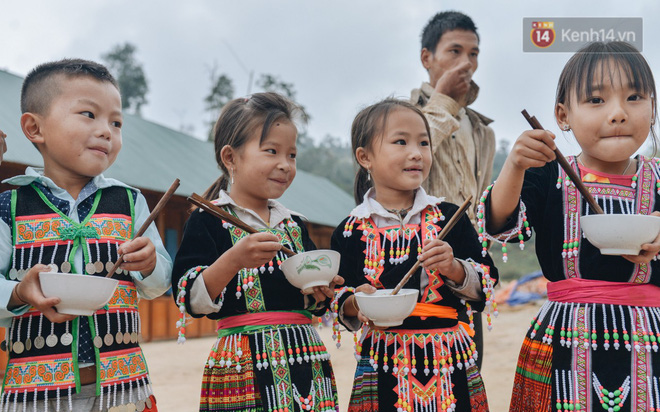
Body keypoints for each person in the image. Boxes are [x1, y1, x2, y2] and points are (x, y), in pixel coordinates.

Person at [480, 41, 660, 411]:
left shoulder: (657, 179)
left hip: (651, 339)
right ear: (563, 116)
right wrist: (514, 166)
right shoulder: (548, 174)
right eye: (596, 100)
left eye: (635, 97)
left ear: (654, 108)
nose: (618, 113)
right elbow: (501, 226)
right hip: (565, 335)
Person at [0, 59, 172, 411]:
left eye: (116, 122)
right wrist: (18, 292)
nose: (107, 131)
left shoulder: (129, 201)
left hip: (122, 389)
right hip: (37, 393)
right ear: (35, 128)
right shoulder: (10, 206)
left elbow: (159, 285)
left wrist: (151, 264)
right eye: (89, 115)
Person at [172, 92, 342, 412]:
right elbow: (190, 297)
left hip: (304, 355)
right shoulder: (207, 220)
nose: (285, 164)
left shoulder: (294, 224)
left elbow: (310, 295)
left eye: (292, 155)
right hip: (241, 362)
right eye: (271, 151)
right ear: (231, 157)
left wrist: (322, 292)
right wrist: (234, 259)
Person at [330, 98, 498, 412]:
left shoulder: (449, 217)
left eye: (424, 142)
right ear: (365, 157)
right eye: (401, 141)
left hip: (449, 358)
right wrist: (355, 300)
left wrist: (454, 268)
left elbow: (487, 281)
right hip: (381, 362)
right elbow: (337, 293)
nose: (416, 153)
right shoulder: (349, 230)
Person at [411, 11, 496, 365]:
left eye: (473, 54)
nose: (466, 63)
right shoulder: (401, 116)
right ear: (426, 57)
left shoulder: (482, 130)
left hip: (465, 269)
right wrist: (444, 99)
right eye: (455, 51)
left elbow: (485, 202)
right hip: (412, 266)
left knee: (466, 374)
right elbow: (404, 162)